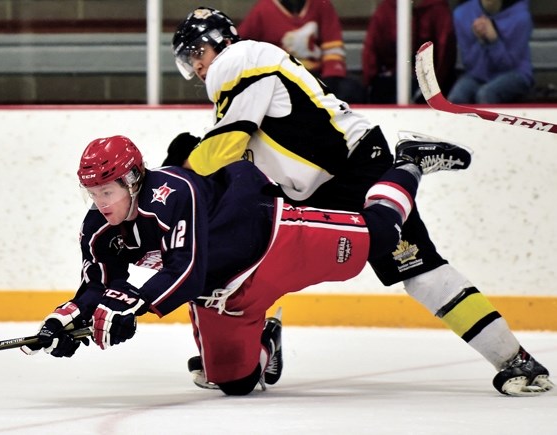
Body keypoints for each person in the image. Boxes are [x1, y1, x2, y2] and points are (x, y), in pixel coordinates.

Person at [168, 6, 553, 396]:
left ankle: (515, 359)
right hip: (314, 190)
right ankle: (250, 348)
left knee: (418, 272)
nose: (197, 66)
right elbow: (235, 154)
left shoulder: (238, 58)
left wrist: (179, 177)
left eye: (197, 52)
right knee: (251, 262)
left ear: (219, 41)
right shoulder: (235, 83)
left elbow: (223, 149)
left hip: (354, 171)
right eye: (189, 61)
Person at [22, 133, 474, 396]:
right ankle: (267, 339)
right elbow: (97, 285)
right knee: (235, 383)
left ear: (135, 179)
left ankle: (410, 161)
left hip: (274, 242)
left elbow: (187, 267)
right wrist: (66, 318)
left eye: (108, 191)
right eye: (93, 194)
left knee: (382, 235)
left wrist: (133, 304)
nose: (100, 204)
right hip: (223, 292)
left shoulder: (174, 192)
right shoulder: (99, 227)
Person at [237, 0, 365, 103]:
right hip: (280, 80)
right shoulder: (263, 9)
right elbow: (240, 46)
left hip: (316, 76)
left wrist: (331, 78)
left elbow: (333, 46)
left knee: (352, 90)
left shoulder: (321, 4)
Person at [362, 0, 457, 103]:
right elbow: (371, 50)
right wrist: (371, 81)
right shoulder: (386, 9)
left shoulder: (437, 9)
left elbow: (445, 52)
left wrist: (436, 81)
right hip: (392, 77)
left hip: (431, 78)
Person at [448, 0, 534, 104]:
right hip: (477, 74)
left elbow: (509, 65)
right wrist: (481, 39)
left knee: (486, 94)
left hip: (515, 73)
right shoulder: (462, 15)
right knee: (456, 97)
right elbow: (469, 63)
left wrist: (493, 41)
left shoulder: (521, 17)